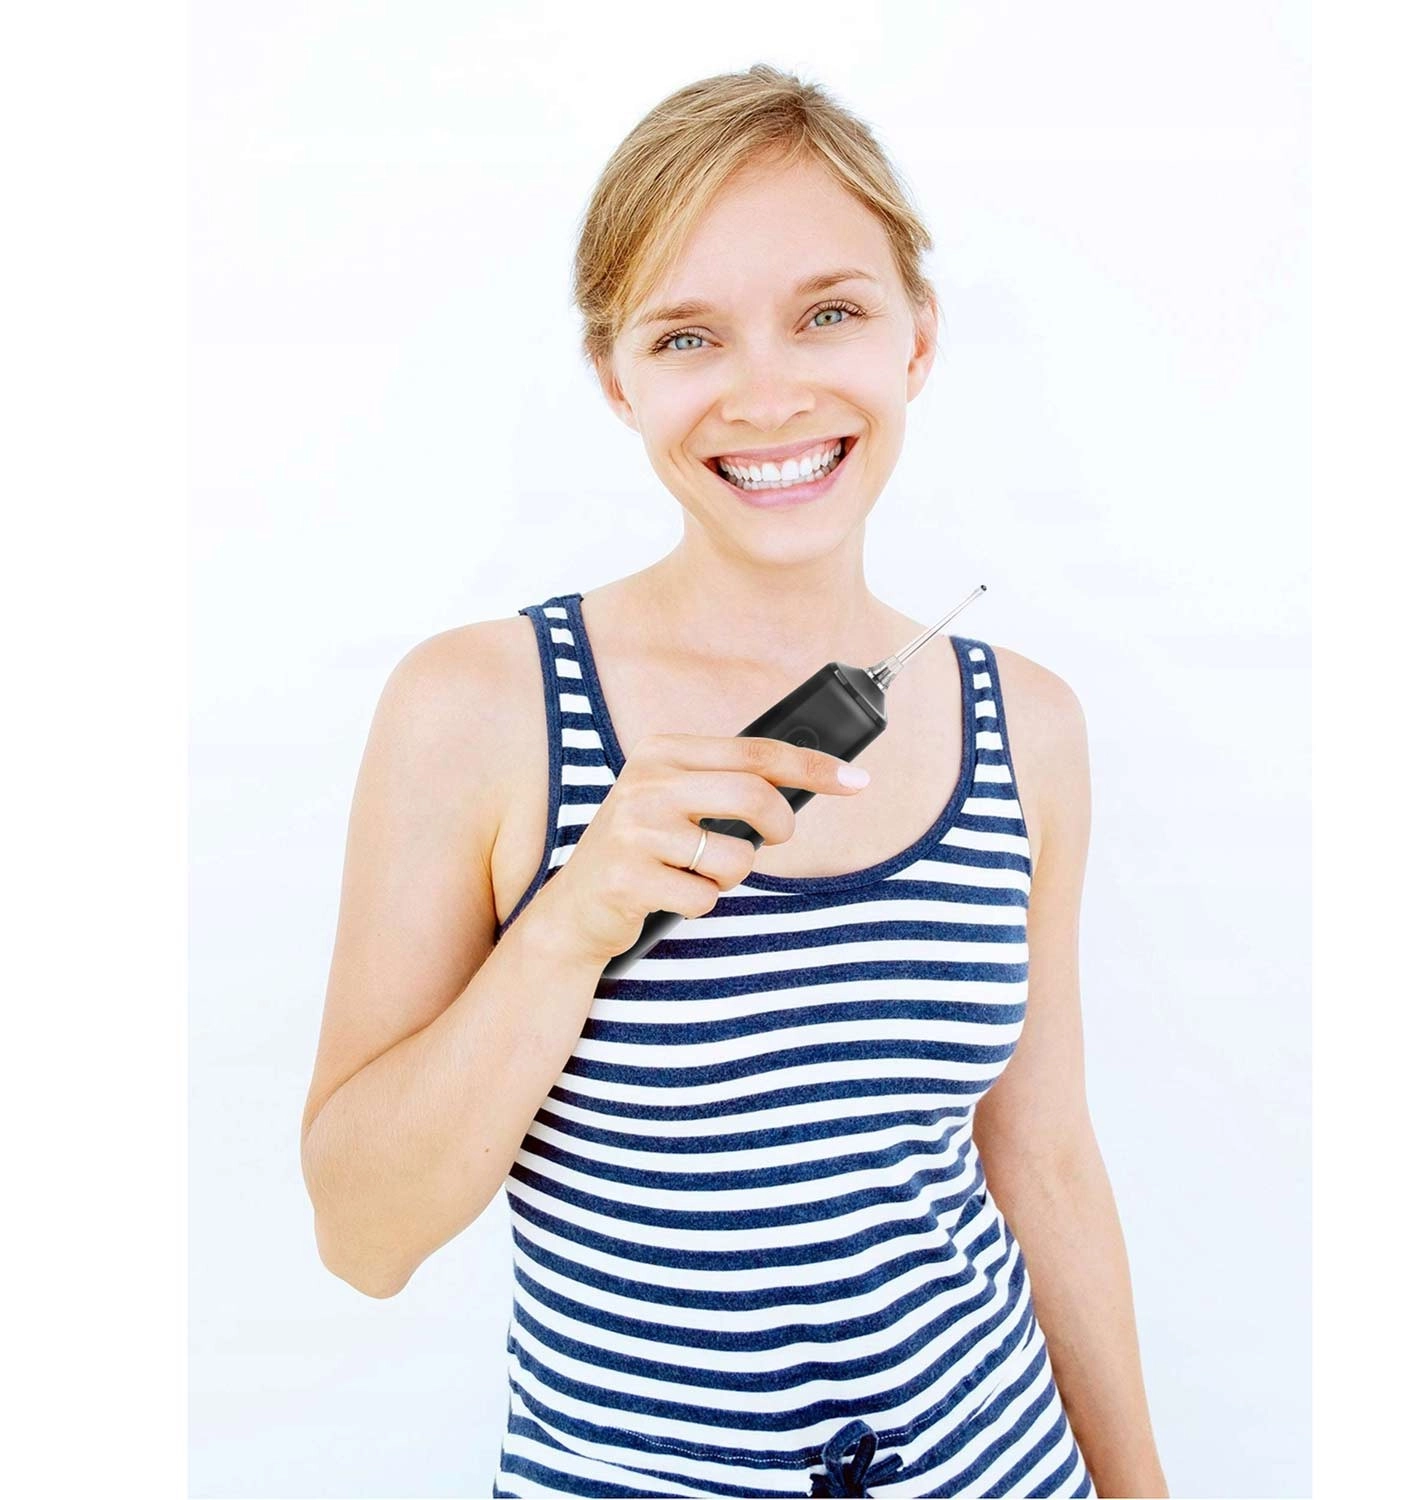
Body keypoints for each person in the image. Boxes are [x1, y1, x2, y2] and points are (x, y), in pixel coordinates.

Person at [299, 65, 1169, 1500]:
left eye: (830, 312)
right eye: (689, 334)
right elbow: (362, 1238)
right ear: (617, 378)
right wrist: (571, 925)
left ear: (917, 336)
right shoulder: (481, 711)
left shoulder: (1030, 727)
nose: (769, 394)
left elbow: (1048, 1165)